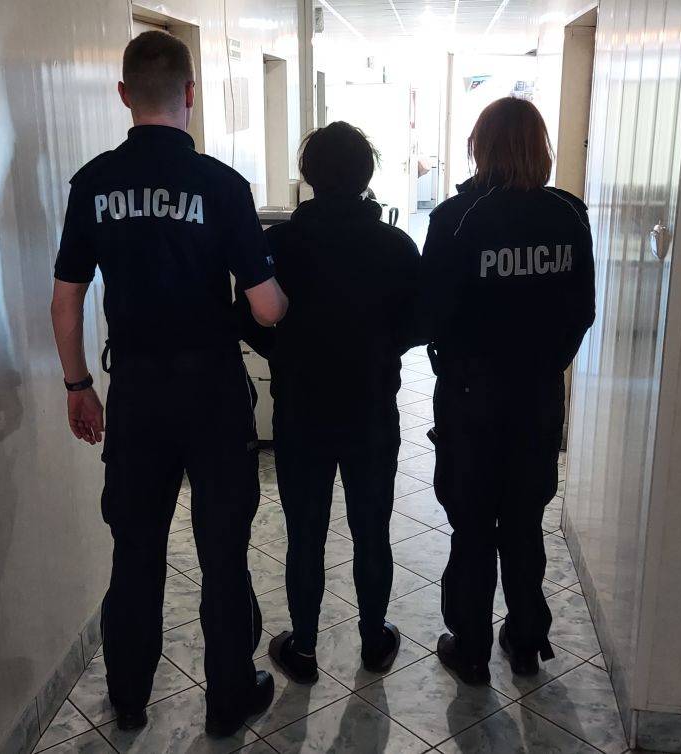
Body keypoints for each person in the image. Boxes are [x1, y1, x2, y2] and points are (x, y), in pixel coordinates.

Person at [50, 30, 288, 736]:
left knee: (135, 549)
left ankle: (128, 697)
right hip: (212, 392)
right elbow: (266, 307)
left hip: (136, 394)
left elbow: (66, 299)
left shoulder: (93, 184)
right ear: (190, 93)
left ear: (125, 95)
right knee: (223, 550)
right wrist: (286, 296)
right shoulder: (223, 185)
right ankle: (228, 700)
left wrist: (77, 385)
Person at [420, 97, 595, 683]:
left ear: (480, 146)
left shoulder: (456, 217)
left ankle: (470, 648)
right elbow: (583, 310)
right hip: (538, 397)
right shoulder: (569, 214)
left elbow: (432, 313)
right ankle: (526, 640)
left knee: (472, 525)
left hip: (472, 399)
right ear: (541, 146)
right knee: (524, 521)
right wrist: (547, 365)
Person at [239, 122, 421, 683]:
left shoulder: (278, 246)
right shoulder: (394, 246)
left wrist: (284, 354)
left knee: (305, 533)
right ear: (367, 175)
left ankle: (304, 648)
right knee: (372, 528)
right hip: (371, 406)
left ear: (309, 175)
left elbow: (248, 319)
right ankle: (374, 640)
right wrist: (380, 349)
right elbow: (419, 322)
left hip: (301, 408)